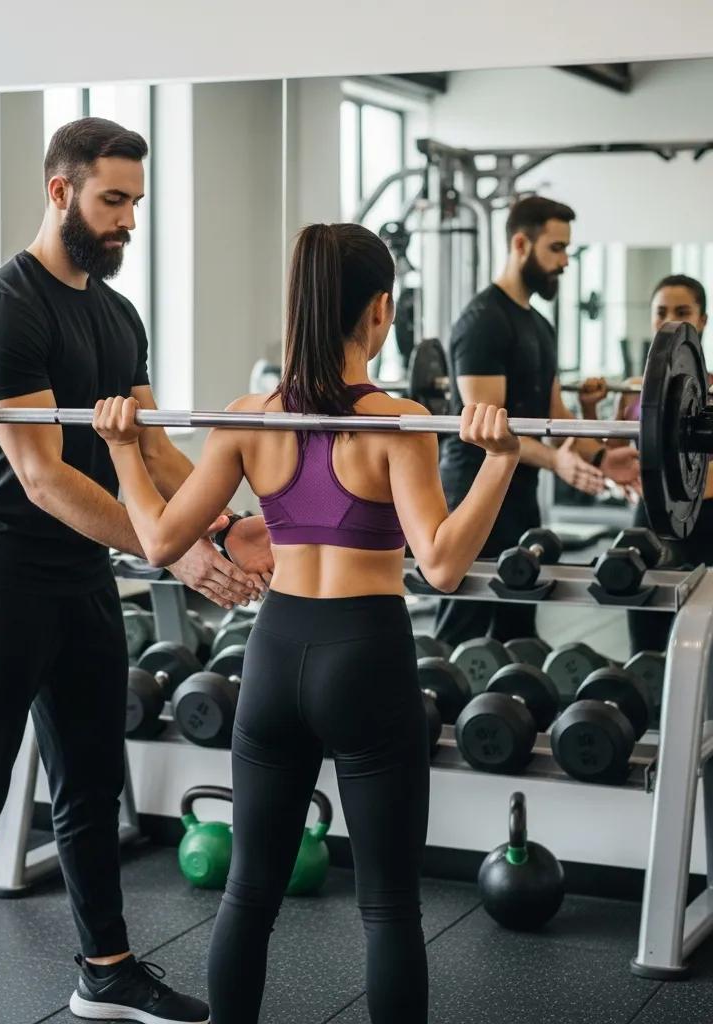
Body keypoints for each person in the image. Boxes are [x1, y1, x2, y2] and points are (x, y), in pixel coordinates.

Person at [93, 221, 522, 1023]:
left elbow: (158, 541)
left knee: (248, 894)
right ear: (380, 309)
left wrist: (122, 448)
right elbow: (441, 565)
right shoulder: (398, 423)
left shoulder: (248, 419)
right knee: (388, 907)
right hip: (366, 654)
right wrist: (498, 464)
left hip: (275, 654)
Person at [0, 117, 273, 1024]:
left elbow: (151, 451)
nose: (127, 221)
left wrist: (222, 523)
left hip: (81, 575)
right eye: (113, 200)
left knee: (89, 783)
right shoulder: (6, 308)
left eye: (135, 203)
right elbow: (42, 476)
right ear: (61, 191)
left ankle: (105, 971)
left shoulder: (116, 315)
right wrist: (171, 550)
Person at [434, 196, 641, 647]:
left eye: (567, 249)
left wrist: (603, 459)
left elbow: (556, 416)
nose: (565, 261)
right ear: (521, 244)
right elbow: (488, 431)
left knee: (518, 622)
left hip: (519, 497)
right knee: (462, 628)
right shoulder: (482, 322)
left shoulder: (540, 327)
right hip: (473, 495)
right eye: (556, 248)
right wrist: (556, 463)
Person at [578, 274, 710, 654]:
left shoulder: (710, 388)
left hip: (705, 521)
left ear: (702, 320)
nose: (669, 320)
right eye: (661, 312)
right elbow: (613, 454)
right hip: (649, 521)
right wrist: (589, 407)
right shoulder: (636, 389)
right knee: (646, 629)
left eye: (682, 312)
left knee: (702, 636)